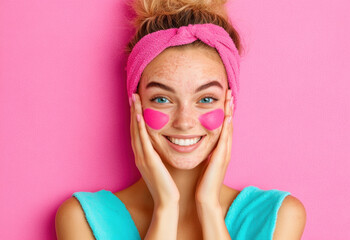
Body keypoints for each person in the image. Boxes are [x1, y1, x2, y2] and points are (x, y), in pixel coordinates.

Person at [55, 0, 306, 239]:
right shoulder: (83, 219)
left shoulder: (277, 217)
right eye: (162, 99)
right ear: (137, 104)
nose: (184, 122)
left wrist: (209, 207)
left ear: (230, 104)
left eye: (206, 99)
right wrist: (166, 207)